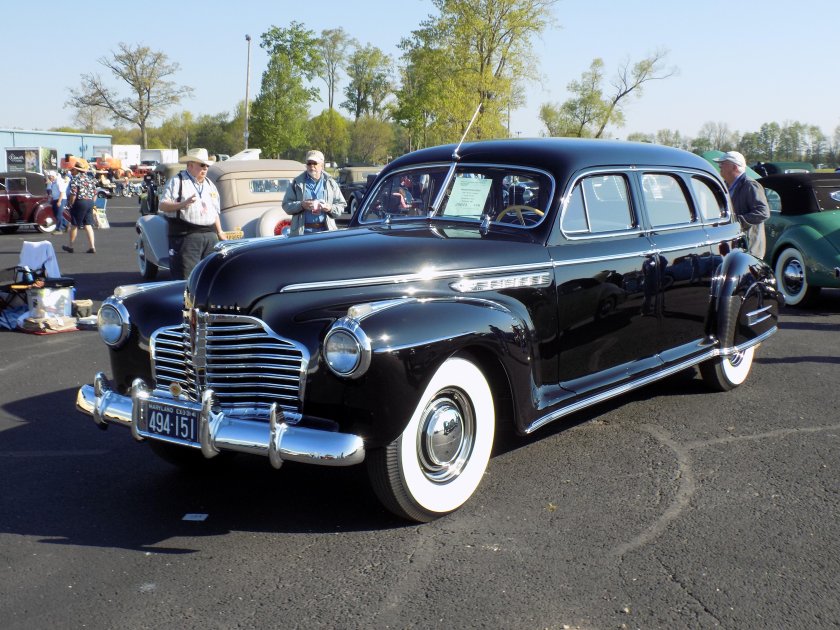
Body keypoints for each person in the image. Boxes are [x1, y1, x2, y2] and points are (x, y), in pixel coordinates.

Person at [158, 148, 226, 280]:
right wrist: (182, 204)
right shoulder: (177, 181)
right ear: (190, 165)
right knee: (187, 278)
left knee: (210, 276)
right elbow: (162, 205)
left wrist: (220, 232)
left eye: (207, 165)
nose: (205, 168)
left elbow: (215, 211)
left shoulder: (209, 184)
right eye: (202, 165)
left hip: (210, 237)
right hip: (187, 236)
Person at [714, 151, 770, 258]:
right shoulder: (725, 185)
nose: (720, 166)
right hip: (732, 248)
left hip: (749, 249)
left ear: (735, 167)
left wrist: (737, 222)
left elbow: (763, 212)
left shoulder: (750, 185)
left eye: (723, 163)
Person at [282, 150, 345, 236]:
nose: (311, 166)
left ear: (322, 165)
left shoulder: (330, 182)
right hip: (302, 233)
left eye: (315, 163)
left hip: (326, 232)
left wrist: (329, 208)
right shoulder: (297, 183)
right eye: (309, 163)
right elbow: (286, 205)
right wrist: (302, 205)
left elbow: (341, 205)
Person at [62, 159, 97, 254]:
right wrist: (92, 203)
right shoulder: (91, 179)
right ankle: (92, 246)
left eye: (73, 170)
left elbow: (73, 193)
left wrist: (70, 204)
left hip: (80, 202)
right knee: (88, 225)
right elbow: (95, 194)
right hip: (90, 202)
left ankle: (71, 246)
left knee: (74, 224)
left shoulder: (76, 179)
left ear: (77, 170)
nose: (72, 172)